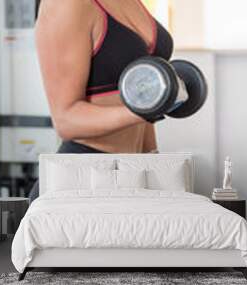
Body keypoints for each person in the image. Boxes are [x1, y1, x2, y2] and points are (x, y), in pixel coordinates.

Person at [29, 0, 174, 202]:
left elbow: (142, 96)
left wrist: (155, 166)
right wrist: (146, 109)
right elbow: (65, 120)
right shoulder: (64, 4)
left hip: (133, 174)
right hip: (84, 179)